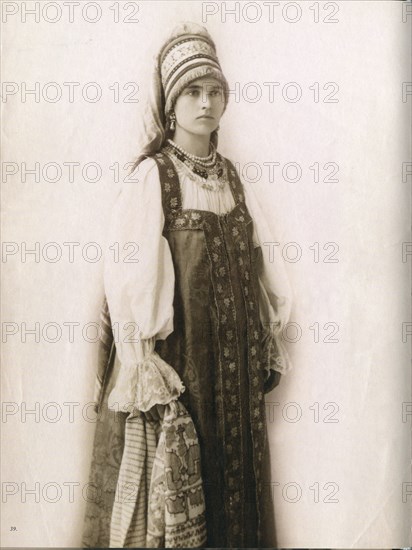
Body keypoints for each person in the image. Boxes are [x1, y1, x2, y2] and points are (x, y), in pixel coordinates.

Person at [82, 21, 293, 549]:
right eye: (193, 92)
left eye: (215, 92)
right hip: (182, 376)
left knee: (239, 499)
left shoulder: (234, 180)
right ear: (170, 104)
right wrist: (143, 364)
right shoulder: (153, 178)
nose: (206, 103)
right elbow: (129, 278)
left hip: (238, 381)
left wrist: (266, 335)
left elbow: (264, 274)